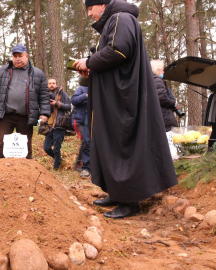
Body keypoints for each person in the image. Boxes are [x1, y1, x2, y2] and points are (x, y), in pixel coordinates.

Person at [73, 0, 177, 219]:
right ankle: (118, 194)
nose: (90, 15)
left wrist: (89, 61)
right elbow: (115, 61)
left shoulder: (122, 18)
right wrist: (92, 71)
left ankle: (130, 202)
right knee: (111, 144)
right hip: (115, 97)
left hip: (124, 99)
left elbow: (119, 51)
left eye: (90, 10)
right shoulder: (114, 20)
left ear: (100, 4)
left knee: (123, 145)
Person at [0, 44, 50, 159]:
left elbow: (44, 95)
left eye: (20, 56)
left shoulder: (38, 74)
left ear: (27, 56)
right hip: (6, 116)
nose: (17, 59)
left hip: (26, 117)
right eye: (15, 56)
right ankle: (0, 172)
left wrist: (44, 113)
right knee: (2, 145)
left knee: (25, 147)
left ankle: (26, 174)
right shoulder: (2, 71)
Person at [150, 59, 179, 160]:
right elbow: (161, 98)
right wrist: (173, 103)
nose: (163, 72)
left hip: (158, 117)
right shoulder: (157, 80)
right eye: (162, 70)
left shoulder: (149, 80)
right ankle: (173, 162)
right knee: (170, 143)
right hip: (164, 117)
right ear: (157, 70)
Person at [43, 78, 71, 169]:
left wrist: (57, 103)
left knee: (56, 149)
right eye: (50, 83)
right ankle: (61, 161)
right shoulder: (44, 95)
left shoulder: (63, 94)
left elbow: (68, 107)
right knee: (46, 148)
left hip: (59, 125)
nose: (51, 85)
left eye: (53, 83)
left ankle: (56, 168)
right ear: (47, 85)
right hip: (49, 126)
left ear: (56, 84)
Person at [71, 76, 90, 177]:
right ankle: (79, 163)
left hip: (89, 121)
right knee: (85, 141)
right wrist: (86, 95)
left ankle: (82, 162)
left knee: (88, 142)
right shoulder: (81, 89)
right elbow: (73, 100)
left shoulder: (97, 89)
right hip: (78, 120)